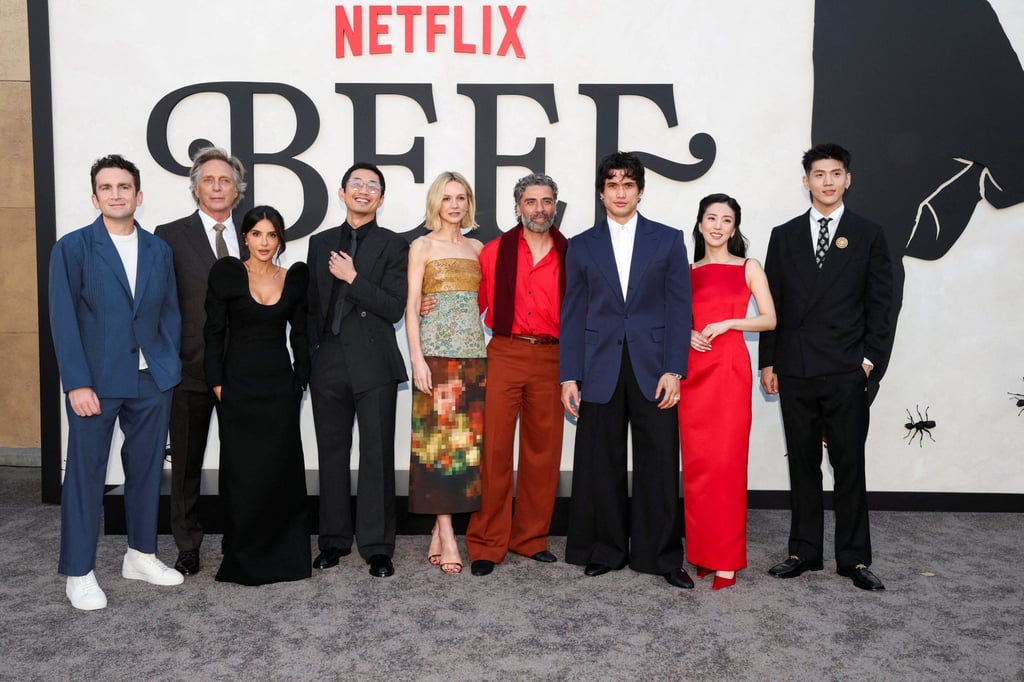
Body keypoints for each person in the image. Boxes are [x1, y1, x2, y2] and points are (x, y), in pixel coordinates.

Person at [49, 154, 184, 610]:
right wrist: (76, 383)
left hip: (151, 380)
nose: (116, 194)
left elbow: (169, 313)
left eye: (124, 187)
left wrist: (166, 368)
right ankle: (79, 572)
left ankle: (141, 554)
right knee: (85, 478)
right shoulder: (72, 248)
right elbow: (63, 321)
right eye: (106, 188)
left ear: (138, 195)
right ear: (94, 197)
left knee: (147, 472)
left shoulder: (157, 250)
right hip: (95, 384)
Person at [759, 143, 894, 591]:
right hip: (795, 369)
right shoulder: (785, 235)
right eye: (819, 174)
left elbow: (881, 306)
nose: (828, 181)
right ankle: (804, 551)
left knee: (849, 465)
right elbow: (772, 305)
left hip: (844, 370)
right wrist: (769, 361)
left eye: (836, 173)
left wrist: (869, 363)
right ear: (806, 181)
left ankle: (854, 559)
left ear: (848, 179)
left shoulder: (869, 233)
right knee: (802, 463)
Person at [559, 151, 694, 589]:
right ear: (601, 193)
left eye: (628, 184)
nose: (620, 191)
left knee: (658, 463)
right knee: (602, 463)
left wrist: (675, 368)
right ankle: (606, 550)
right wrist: (568, 375)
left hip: (654, 367)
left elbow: (680, 309)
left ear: (640, 190)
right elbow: (572, 314)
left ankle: (661, 555)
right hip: (599, 367)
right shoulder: (580, 245)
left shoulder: (669, 239)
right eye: (612, 184)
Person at [306, 162, 409, 578]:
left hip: (374, 362)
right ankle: (332, 541)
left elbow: (393, 306)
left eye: (373, 187)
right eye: (357, 184)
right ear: (342, 191)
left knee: (377, 455)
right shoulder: (320, 242)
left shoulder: (394, 245)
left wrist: (353, 277)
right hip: (327, 360)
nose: (364, 191)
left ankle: (378, 547)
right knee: (330, 455)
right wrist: (310, 359)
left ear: (380, 198)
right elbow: (312, 304)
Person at [464, 173, 567, 577]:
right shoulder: (492, 252)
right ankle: (487, 543)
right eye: (530, 201)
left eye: (546, 201)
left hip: (552, 357)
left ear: (554, 206)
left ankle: (530, 539)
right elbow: (474, 307)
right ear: (518, 207)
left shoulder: (572, 253)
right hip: (504, 352)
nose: (539, 209)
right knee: (494, 452)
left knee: (543, 453)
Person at [203, 206, 311, 585]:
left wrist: (300, 380)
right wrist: (217, 384)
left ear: (279, 239)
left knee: (280, 471)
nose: (264, 242)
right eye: (256, 234)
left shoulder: (294, 277)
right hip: (237, 388)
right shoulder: (228, 273)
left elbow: (301, 334)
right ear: (245, 237)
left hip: (279, 388)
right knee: (242, 473)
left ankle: (284, 555)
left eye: (271, 234)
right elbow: (213, 332)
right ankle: (242, 555)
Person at [154, 146, 248, 576]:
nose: (216, 186)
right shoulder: (168, 235)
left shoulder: (254, 234)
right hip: (188, 369)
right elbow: (158, 304)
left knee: (239, 465)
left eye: (224, 180)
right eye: (208, 179)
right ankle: (188, 545)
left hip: (240, 371)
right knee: (187, 465)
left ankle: (237, 540)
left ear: (236, 190)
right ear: (195, 188)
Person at [678, 194, 776, 591]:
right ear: (699, 224)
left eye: (727, 220)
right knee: (698, 468)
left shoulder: (748, 266)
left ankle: (727, 560)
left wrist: (731, 323)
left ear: (734, 228)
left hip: (730, 370)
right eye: (711, 218)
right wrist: (687, 331)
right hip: (693, 371)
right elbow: (673, 318)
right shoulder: (686, 270)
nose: (718, 225)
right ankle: (702, 553)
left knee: (728, 465)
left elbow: (770, 319)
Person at [406, 171, 487, 575]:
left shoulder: (477, 247)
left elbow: (484, 303)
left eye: (461, 198)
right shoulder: (421, 245)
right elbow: (411, 307)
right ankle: (449, 534)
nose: (454, 205)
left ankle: (440, 532)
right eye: (447, 198)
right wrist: (417, 360)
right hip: (436, 359)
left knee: (463, 452)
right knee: (438, 452)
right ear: (436, 203)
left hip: (474, 359)